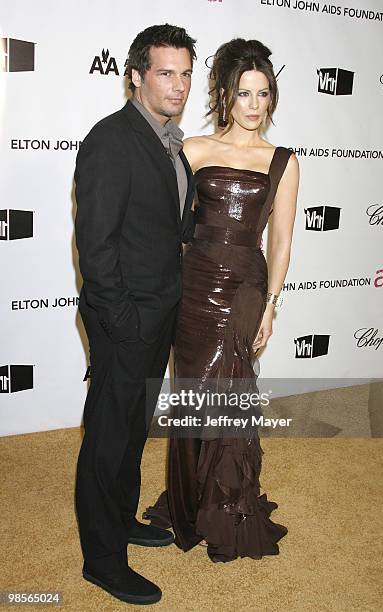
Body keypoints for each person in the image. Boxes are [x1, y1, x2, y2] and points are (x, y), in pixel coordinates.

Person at [144, 38, 300, 563]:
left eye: (263, 94)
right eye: (244, 93)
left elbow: (280, 241)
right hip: (194, 285)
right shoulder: (193, 150)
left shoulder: (282, 161)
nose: (254, 105)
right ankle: (191, 505)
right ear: (225, 96)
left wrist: (272, 303)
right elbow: (170, 227)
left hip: (245, 289)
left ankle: (227, 511)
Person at [74, 24, 196, 604]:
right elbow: (95, 248)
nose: (179, 85)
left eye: (186, 73)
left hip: (158, 316)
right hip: (124, 320)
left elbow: (165, 228)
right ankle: (101, 560)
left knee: (130, 436)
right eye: (166, 73)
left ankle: (122, 519)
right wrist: (122, 324)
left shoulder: (170, 140)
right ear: (136, 76)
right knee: (106, 438)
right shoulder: (111, 139)